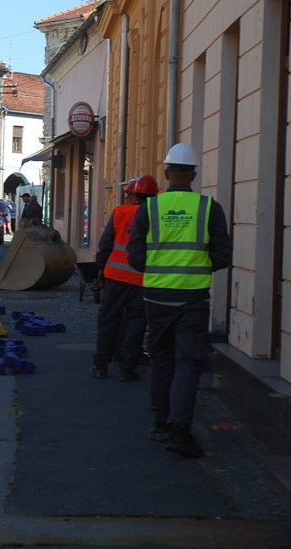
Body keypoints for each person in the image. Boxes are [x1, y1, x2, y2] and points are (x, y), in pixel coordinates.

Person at [127, 143, 232, 459]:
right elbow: (223, 256)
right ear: (194, 174)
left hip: (156, 298)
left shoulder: (149, 209)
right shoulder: (209, 208)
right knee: (188, 363)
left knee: (161, 361)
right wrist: (194, 268)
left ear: (166, 172)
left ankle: (160, 424)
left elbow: (135, 257)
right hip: (193, 300)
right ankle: (180, 430)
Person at [91, 175, 159, 381]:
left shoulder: (120, 212)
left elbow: (106, 244)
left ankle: (101, 366)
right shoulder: (154, 215)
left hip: (115, 277)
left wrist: (100, 268)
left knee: (108, 321)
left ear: (132, 195)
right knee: (136, 324)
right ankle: (127, 368)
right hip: (141, 279)